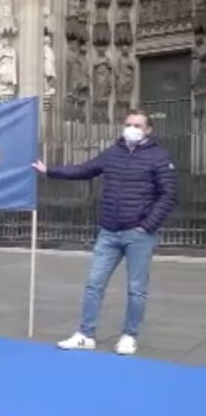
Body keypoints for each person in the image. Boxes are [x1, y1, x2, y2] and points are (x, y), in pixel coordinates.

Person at [32, 109, 177, 355]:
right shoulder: (113, 153)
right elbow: (85, 169)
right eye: (129, 124)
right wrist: (50, 171)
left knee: (136, 288)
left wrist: (147, 226)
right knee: (94, 284)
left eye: (138, 125)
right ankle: (86, 334)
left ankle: (129, 336)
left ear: (148, 130)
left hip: (138, 234)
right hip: (109, 232)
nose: (132, 128)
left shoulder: (158, 157)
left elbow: (169, 194)